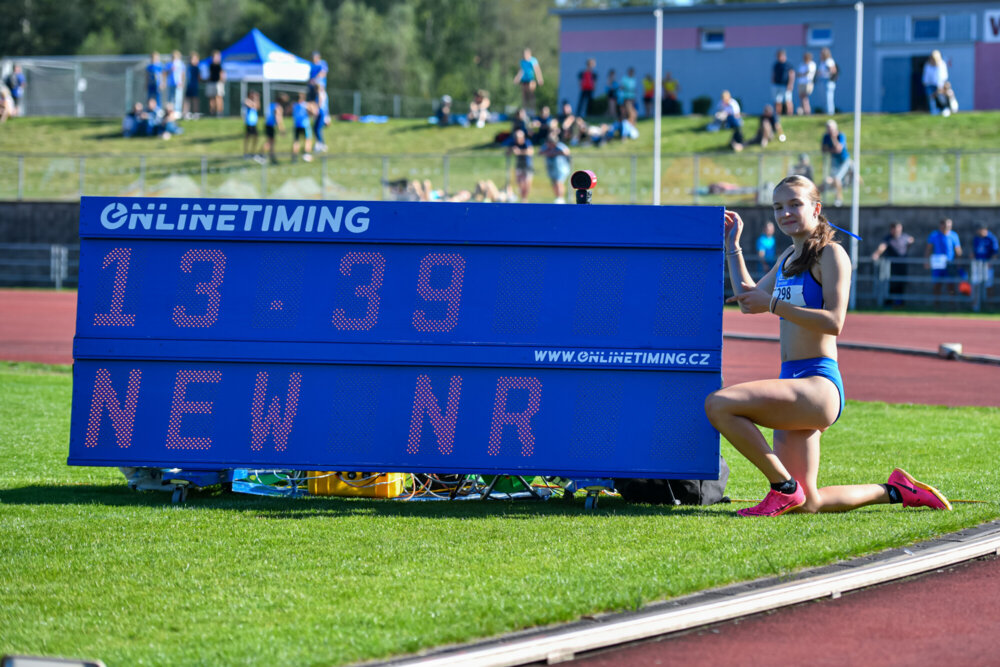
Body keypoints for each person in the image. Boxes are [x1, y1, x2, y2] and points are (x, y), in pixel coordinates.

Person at [705, 175, 952, 516]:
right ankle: (894, 490)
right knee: (810, 504)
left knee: (719, 404)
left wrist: (773, 304)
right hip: (792, 380)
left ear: (816, 208)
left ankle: (782, 487)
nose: (785, 213)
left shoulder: (831, 255)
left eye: (794, 204)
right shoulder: (789, 258)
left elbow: (834, 321)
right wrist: (733, 245)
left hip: (819, 385)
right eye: (779, 206)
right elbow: (749, 300)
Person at [871, 221, 915, 307]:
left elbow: (911, 240)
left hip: (902, 265)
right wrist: (876, 253)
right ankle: (889, 303)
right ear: (891, 229)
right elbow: (882, 246)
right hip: (891, 267)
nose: (897, 230)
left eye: (898, 228)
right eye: (895, 228)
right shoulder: (888, 238)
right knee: (891, 284)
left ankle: (900, 303)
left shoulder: (904, 237)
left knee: (901, 283)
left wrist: (910, 243)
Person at [924, 217, 963, 309]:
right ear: (941, 225)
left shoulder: (954, 235)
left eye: (949, 225)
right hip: (937, 263)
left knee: (951, 285)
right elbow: (928, 249)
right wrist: (926, 261)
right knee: (937, 284)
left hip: (950, 263)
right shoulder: (934, 235)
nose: (947, 226)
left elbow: (958, 250)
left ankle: (952, 305)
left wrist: (959, 262)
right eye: (945, 225)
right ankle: (936, 304)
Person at [820, 119, 850, 206]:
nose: (829, 130)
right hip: (834, 160)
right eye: (828, 128)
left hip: (844, 160)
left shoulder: (840, 135)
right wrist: (832, 149)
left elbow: (838, 149)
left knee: (837, 178)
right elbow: (823, 149)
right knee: (830, 180)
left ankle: (839, 199)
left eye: (831, 128)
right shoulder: (826, 136)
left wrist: (833, 138)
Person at [539, 131, 571, 204]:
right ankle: (557, 197)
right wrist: (548, 152)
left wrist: (554, 153)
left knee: (559, 182)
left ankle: (561, 197)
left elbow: (567, 152)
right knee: (554, 183)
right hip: (551, 168)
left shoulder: (559, 146)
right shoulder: (546, 147)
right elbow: (540, 152)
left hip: (561, 169)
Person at [971, 223, 999, 301]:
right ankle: (976, 304)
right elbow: (974, 251)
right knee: (975, 283)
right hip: (977, 264)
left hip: (987, 265)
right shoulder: (976, 238)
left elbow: (995, 253)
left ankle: (989, 303)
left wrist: (991, 262)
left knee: (988, 284)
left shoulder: (991, 238)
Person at [507, 128, 534, 202]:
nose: (516, 139)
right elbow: (507, 153)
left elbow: (530, 151)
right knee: (519, 183)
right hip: (519, 166)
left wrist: (520, 152)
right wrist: (511, 150)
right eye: (515, 137)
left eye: (517, 138)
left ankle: (525, 198)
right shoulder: (514, 143)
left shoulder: (527, 142)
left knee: (527, 183)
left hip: (527, 166)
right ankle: (522, 198)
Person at [513, 48, 543, 112]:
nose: (525, 56)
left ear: (529, 54)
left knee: (531, 94)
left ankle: (532, 110)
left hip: (531, 79)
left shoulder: (533, 60)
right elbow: (521, 71)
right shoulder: (522, 61)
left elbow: (537, 70)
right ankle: (525, 110)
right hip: (524, 80)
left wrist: (539, 78)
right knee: (524, 96)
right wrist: (517, 78)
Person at [262, 92, 286, 164]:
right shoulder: (278, 107)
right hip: (270, 125)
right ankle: (261, 154)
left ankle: (272, 157)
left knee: (271, 142)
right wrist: (281, 129)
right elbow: (278, 119)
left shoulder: (271, 105)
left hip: (267, 124)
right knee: (270, 142)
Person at [922, 50, 948, 115]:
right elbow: (926, 78)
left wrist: (940, 87)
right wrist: (926, 84)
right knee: (931, 97)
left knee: (940, 96)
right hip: (930, 85)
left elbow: (943, 76)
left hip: (940, 85)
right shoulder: (927, 66)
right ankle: (933, 110)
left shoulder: (942, 65)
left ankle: (944, 109)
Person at [771, 49, 795, 117]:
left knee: (788, 100)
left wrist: (790, 84)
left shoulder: (788, 65)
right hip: (777, 85)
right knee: (778, 100)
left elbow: (792, 74)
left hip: (785, 85)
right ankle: (778, 114)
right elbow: (773, 74)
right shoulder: (776, 65)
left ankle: (790, 114)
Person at [291, 92, 313, 163]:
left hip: (296, 125)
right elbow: (312, 113)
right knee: (308, 140)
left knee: (296, 141)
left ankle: (294, 157)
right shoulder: (306, 105)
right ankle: (306, 155)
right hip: (305, 125)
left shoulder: (294, 105)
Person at [816, 47, 838, 115]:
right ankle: (825, 112)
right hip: (822, 80)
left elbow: (833, 70)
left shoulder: (829, 61)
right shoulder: (822, 62)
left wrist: (826, 73)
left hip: (828, 80)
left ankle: (830, 112)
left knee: (829, 98)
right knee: (824, 98)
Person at [308, 51, 329, 115]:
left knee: (322, 102)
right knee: (312, 102)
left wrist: (315, 80)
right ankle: (315, 115)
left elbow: (323, 73)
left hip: (320, 87)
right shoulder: (311, 64)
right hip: (312, 87)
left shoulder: (322, 63)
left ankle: (324, 117)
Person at [206, 50, 226, 117]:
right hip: (211, 82)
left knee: (218, 97)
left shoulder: (220, 65)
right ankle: (212, 112)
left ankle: (219, 112)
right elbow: (210, 74)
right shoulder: (211, 65)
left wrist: (221, 80)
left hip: (218, 83)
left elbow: (222, 74)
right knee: (211, 98)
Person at [242, 90, 260, 158]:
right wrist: (255, 100)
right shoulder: (246, 101)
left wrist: (257, 99)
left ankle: (253, 152)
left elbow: (258, 107)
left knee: (255, 138)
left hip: (254, 123)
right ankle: (245, 153)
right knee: (247, 138)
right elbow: (253, 106)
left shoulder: (254, 101)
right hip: (248, 122)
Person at [184, 52, 200, 118]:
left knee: (195, 99)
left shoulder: (196, 68)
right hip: (189, 85)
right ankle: (186, 113)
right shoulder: (188, 67)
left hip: (194, 85)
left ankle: (195, 113)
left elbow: (199, 77)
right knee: (187, 99)